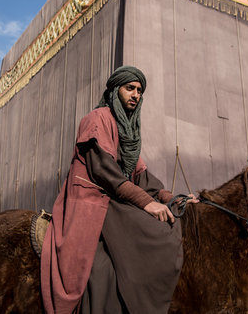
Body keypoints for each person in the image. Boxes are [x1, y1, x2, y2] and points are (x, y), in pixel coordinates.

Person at [40, 66, 195, 314]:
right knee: (102, 269)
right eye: (129, 88)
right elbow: (104, 171)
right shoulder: (97, 119)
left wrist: (172, 198)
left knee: (164, 227)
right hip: (91, 201)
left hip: (115, 200)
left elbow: (143, 178)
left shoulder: (129, 131)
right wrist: (146, 203)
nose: (135, 94)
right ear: (115, 90)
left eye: (139, 91)